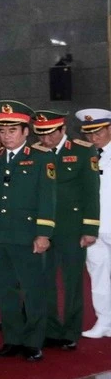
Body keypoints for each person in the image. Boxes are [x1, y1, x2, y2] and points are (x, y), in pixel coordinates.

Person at [0, 100, 56, 362]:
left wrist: (43, 233)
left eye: (12, 131)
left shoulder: (41, 158)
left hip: (28, 235)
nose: (6, 136)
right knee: (5, 290)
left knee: (33, 288)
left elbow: (47, 198)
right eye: (2, 131)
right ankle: (13, 339)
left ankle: (34, 340)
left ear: (26, 132)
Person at [33, 110, 100, 351]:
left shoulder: (82, 151)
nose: (45, 139)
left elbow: (91, 192)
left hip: (72, 227)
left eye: (50, 134)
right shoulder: (36, 152)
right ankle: (51, 330)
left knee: (72, 282)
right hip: (43, 228)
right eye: (40, 134)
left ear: (62, 130)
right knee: (45, 280)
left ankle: (71, 330)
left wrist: (90, 227)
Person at [76, 109, 111, 337]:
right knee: (97, 273)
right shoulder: (85, 155)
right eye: (89, 134)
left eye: (98, 132)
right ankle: (104, 321)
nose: (93, 138)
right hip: (94, 225)